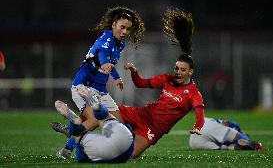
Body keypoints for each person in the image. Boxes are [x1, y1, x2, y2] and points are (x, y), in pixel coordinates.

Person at [52, 8, 205, 159]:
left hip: (154, 128)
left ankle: (74, 131)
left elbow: (200, 113)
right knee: (102, 118)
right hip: (138, 111)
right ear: (114, 25)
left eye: (182, 69)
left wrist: (198, 126)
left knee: (127, 155)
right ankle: (71, 141)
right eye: (176, 68)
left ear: (190, 72)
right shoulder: (167, 79)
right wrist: (134, 72)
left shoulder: (193, 93)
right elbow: (137, 81)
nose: (177, 72)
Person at [51, 6, 145, 159]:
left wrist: (116, 76)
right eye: (122, 27)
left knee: (118, 124)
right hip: (83, 87)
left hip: (101, 90)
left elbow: (110, 63)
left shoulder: (119, 44)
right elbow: (102, 55)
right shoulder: (105, 39)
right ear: (114, 25)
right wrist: (104, 63)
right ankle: (67, 150)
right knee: (95, 120)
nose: (125, 32)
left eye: (128, 29)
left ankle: (73, 127)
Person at [54, 85, 134, 163]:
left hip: (103, 150)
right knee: (103, 120)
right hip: (125, 141)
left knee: (79, 135)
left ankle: (70, 137)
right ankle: (98, 109)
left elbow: (82, 157)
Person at [189, 117, 263, 150]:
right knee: (238, 138)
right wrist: (243, 136)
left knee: (223, 147)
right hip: (209, 128)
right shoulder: (231, 127)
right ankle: (242, 142)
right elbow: (233, 124)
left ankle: (233, 146)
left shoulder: (214, 121)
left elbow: (224, 122)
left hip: (193, 144)